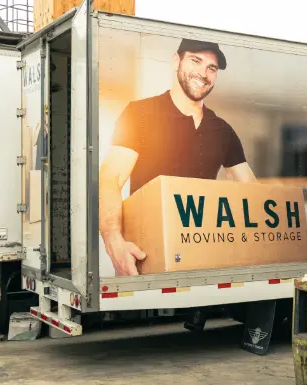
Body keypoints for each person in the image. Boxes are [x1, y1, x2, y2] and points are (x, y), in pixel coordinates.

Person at [99, 38, 258, 276]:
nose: (203, 73)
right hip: (146, 260)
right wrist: (114, 243)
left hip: (202, 258)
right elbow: (110, 178)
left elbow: (252, 190)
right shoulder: (140, 113)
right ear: (176, 61)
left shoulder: (222, 130)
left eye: (211, 68)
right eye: (196, 60)